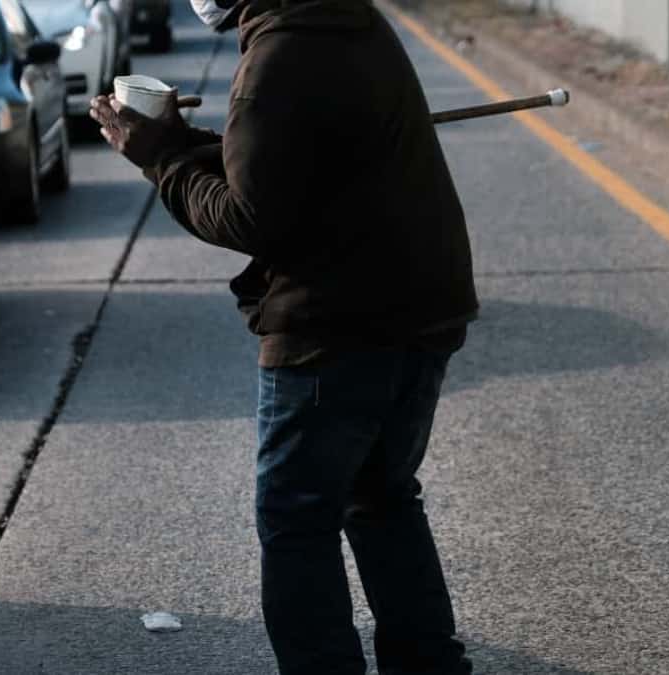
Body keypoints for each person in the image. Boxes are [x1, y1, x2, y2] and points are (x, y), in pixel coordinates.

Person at [90, 0, 478, 672]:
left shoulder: (277, 56)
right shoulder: (348, 19)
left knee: (297, 521)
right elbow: (282, 162)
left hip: (335, 328)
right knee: (382, 497)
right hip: (421, 310)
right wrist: (177, 142)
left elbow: (251, 217)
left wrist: (161, 160)